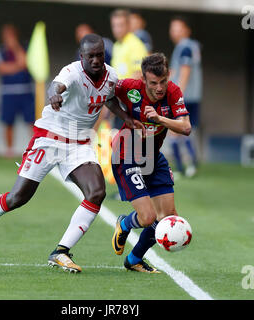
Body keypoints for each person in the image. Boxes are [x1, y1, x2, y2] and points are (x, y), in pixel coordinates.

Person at [0, 34, 144, 273]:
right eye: (91, 56)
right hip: (50, 138)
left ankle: (61, 251)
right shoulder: (72, 72)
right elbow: (57, 86)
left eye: (100, 55)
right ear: (81, 57)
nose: (96, 60)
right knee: (18, 198)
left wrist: (127, 117)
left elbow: (107, 99)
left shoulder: (111, 76)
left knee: (97, 192)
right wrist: (54, 94)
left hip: (78, 142)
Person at [110, 53, 191, 273]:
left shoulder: (173, 92)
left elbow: (186, 128)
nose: (159, 88)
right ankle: (124, 223)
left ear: (168, 76)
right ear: (143, 80)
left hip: (153, 157)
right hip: (127, 154)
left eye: (163, 81)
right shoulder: (129, 87)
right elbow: (105, 93)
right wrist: (125, 117)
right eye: (153, 83)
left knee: (168, 216)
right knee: (148, 218)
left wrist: (159, 119)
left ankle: (134, 259)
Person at [0, 24, 35, 158]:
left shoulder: (25, 47)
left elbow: (25, 62)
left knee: (32, 121)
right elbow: (2, 68)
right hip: (8, 91)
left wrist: (16, 47)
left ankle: (34, 149)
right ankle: (9, 150)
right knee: (8, 122)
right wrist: (18, 66)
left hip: (25, 90)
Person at [168, 16, 202, 178]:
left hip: (184, 96)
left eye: (178, 28)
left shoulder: (185, 47)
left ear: (187, 30)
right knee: (183, 130)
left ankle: (186, 166)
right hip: (192, 95)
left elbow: (185, 71)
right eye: (173, 28)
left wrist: (177, 95)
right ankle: (187, 166)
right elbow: (175, 71)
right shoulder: (189, 46)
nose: (175, 31)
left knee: (177, 131)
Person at [110, 8, 148, 130]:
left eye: (120, 25)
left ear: (128, 25)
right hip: (121, 103)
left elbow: (139, 75)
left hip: (134, 104)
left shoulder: (135, 45)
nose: (117, 29)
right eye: (114, 25)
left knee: (133, 144)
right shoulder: (116, 46)